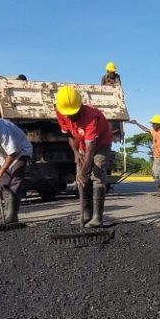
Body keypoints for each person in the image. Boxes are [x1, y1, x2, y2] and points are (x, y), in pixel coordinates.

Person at [54, 86, 113, 227]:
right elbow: (69, 134)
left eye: (73, 113)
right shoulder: (61, 111)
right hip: (81, 144)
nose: (70, 116)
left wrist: (83, 172)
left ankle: (97, 218)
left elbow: (91, 149)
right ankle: (86, 215)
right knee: (81, 180)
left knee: (96, 174)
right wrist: (75, 152)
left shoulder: (91, 117)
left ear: (80, 106)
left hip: (101, 144)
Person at [127, 115, 160, 196]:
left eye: (154, 124)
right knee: (156, 173)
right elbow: (146, 129)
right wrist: (137, 123)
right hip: (156, 156)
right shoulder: (154, 131)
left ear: (159, 124)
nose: (152, 125)